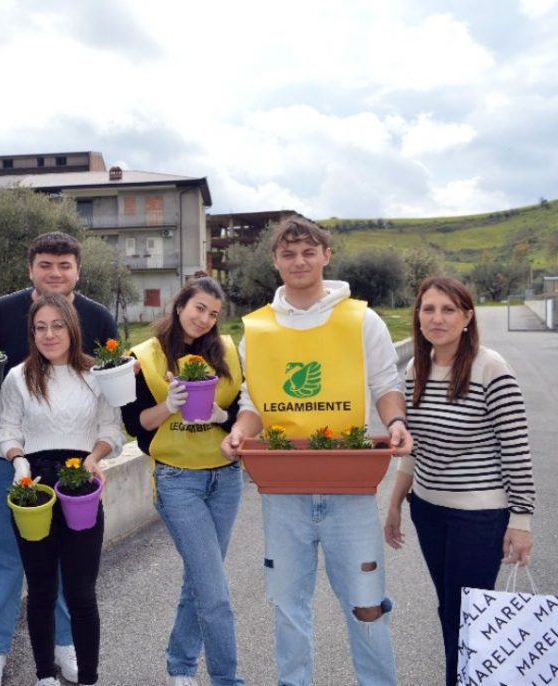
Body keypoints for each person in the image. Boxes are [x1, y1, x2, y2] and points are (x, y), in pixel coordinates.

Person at [221, 215, 413, 686]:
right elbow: (254, 404)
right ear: (275, 262)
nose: (299, 261)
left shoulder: (361, 319)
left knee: (367, 605)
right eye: (288, 253)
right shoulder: (258, 330)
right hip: (283, 491)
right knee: (288, 606)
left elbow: (386, 384)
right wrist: (239, 434)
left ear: (326, 256)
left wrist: (395, 421)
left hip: (350, 486)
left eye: (309, 252)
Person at [0, 231, 118, 686]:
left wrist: (96, 458)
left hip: (77, 471)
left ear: (78, 269)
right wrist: (16, 460)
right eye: (45, 265)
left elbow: (110, 410)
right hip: (12, 464)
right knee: (2, 557)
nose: (55, 273)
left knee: (69, 573)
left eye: (65, 265)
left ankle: (65, 645)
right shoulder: (0, 313)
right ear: (30, 267)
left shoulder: (99, 319)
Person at [383, 276, 534, 686]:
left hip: (479, 517)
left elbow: (516, 449)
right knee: (449, 609)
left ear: (467, 317)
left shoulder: (491, 368)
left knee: (469, 616)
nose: (437, 318)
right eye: (428, 309)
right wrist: (396, 503)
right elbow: (415, 448)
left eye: (448, 309)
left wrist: (520, 521)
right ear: (418, 316)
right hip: (429, 511)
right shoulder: (418, 367)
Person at [121, 277, 245, 686]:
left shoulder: (227, 351)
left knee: (200, 578)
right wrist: (168, 406)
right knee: (214, 591)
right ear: (179, 307)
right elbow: (134, 424)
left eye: (213, 313)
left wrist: (222, 417)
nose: (205, 319)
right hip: (177, 482)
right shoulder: (145, 357)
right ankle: (226, 677)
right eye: (198, 309)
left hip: (226, 479)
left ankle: (180, 665)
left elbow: (246, 407)